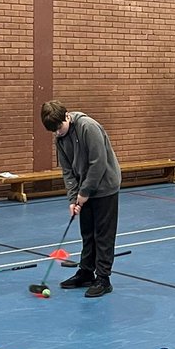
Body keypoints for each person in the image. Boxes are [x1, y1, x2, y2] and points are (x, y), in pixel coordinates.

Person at [41, 100, 122, 299]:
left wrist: (84, 193)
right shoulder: (59, 137)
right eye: (54, 131)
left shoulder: (88, 127)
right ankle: (86, 272)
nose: (58, 132)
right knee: (87, 233)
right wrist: (72, 199)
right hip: (85, 188)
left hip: (105, 186)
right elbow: (68, 171)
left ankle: (103, 279)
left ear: (67, 116)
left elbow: (98, 163)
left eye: (60, 127)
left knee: (102, 235)